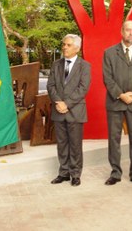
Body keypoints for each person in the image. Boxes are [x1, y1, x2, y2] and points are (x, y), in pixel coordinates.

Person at [102, 20, 132, 186]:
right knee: (114, 139)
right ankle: (115, 173)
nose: (131, 33)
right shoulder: (109, 53)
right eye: (128, 30)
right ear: (122, 31)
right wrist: (120, 95)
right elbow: (107, 78)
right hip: (115, 102)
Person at [47, 34, 91, 186]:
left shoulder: (84, 66)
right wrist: (58, 102)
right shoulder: (56, 64)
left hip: (75, 111)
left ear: (77, 48)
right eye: (64, 44)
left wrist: (67, 104)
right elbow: (50, 86)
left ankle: (75, 174)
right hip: (58, 111)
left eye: (68, 45)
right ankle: (63, 173)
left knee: (75, 145)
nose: (64, 47)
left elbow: (83, 88)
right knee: (62, 144)